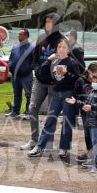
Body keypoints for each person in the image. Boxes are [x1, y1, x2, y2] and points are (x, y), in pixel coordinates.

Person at [28, 39, 81, 158]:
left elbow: (77, 79)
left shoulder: (72, 62)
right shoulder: (55, 61)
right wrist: (48, 60)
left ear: (68, 49)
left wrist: (66, 74)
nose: (61, 49)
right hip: (56, 94)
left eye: (64, 47)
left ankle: (64, 147)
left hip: (68, 94)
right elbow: (42, 73)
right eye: (59, 47)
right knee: (50, 120)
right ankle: (40, 146)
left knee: (67, 122)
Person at [20, 13, 66, 150]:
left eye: (50, 22)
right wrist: (37, 70)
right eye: (46, 22)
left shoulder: (62, 41)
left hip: (54, 83)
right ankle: (34, 140)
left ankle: (47, 143)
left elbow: (65, 61)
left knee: (51, 114)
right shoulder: (41, 38)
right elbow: (35, 58)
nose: (47, 24)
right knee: (32, 108)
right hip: (39, 81)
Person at [68, 72, 97, 173]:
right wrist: (76, 102)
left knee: (96, 143)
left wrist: (91, 107)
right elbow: (86, 104)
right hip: (90, 120)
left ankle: (96, 164)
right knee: (93, 142)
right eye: (93, 81)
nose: (94, 83)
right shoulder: (93, 91)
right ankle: (93, 160)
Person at [74, 62, 97, 163]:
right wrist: (81, 105)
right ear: (89, 71)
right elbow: (76, 95)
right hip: (85, 112)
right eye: (94, 73)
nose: (96, 75)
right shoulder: (81, 81)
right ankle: (90, 152)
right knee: (87, 133)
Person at [7, 29, 34, 118]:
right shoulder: (15, 47)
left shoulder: (32, 47)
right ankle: (15, 111)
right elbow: (11, 58)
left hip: (26, 76)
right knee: (17, 93)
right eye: (18, 34)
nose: (18, 36)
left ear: (26, 36)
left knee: (29, 94)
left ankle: (28, 112)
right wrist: (10, 66)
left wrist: (27, 69)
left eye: (20, 34)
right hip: (15, 75)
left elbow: (35, 61)